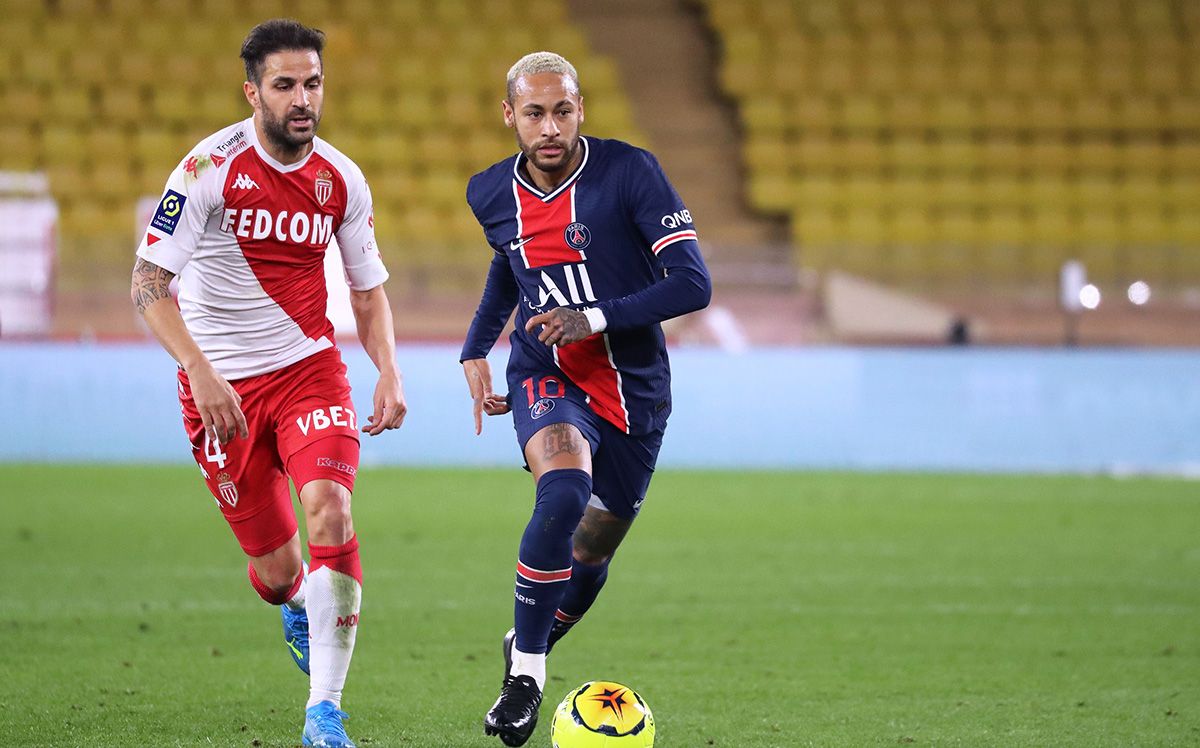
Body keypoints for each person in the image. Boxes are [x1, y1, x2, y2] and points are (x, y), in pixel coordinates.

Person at [129, 19, 405, 748]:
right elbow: (149, 281)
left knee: (331, 516)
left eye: (312, 83)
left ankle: (324, 715)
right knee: (280, 570)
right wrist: (198, 368)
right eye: (284, 85)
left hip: (310, 373)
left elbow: (368, 289)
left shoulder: (341, 179)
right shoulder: (206, 170)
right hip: (220, 394)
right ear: (253, 91)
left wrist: (388, 371)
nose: (302, 98)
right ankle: (291, 604)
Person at [460, 51, 712, 746]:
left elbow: (693, 284)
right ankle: (528, 679)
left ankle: (527, 639)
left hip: (633, 390)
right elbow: (508, 267)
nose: (549, 127)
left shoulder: (631, 173)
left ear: (581, 112)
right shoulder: (489, 192)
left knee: (592, 554)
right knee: (564, 490)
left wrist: (594, 317)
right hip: (547, 371)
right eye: (534, 112)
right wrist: (477, 346)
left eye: (562, 111)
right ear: (510, 115)